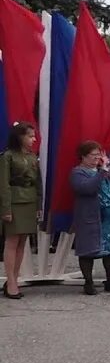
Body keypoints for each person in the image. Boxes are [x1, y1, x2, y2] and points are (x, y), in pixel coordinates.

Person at [70, 141, 110, 295]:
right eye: (93, 155)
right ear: (83, 156)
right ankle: (88, 283)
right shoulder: (78, 172)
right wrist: (102, 171)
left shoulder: (103, 171)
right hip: (91, 218)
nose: (96, 158)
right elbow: (87, 188)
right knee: (88, 251)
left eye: (98, 154)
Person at [2, 122, 41, 299]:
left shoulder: (33, 157)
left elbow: (38, 183)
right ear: (20, 137)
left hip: (30, 200)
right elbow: (4, 185)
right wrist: (5, 208)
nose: (33, 139)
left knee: (22, 243)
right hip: (15, 201)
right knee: (12, 242)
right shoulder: (8, 156)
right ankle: (10, 282)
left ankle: (14, 279)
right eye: (30, 136)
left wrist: (39, 206)